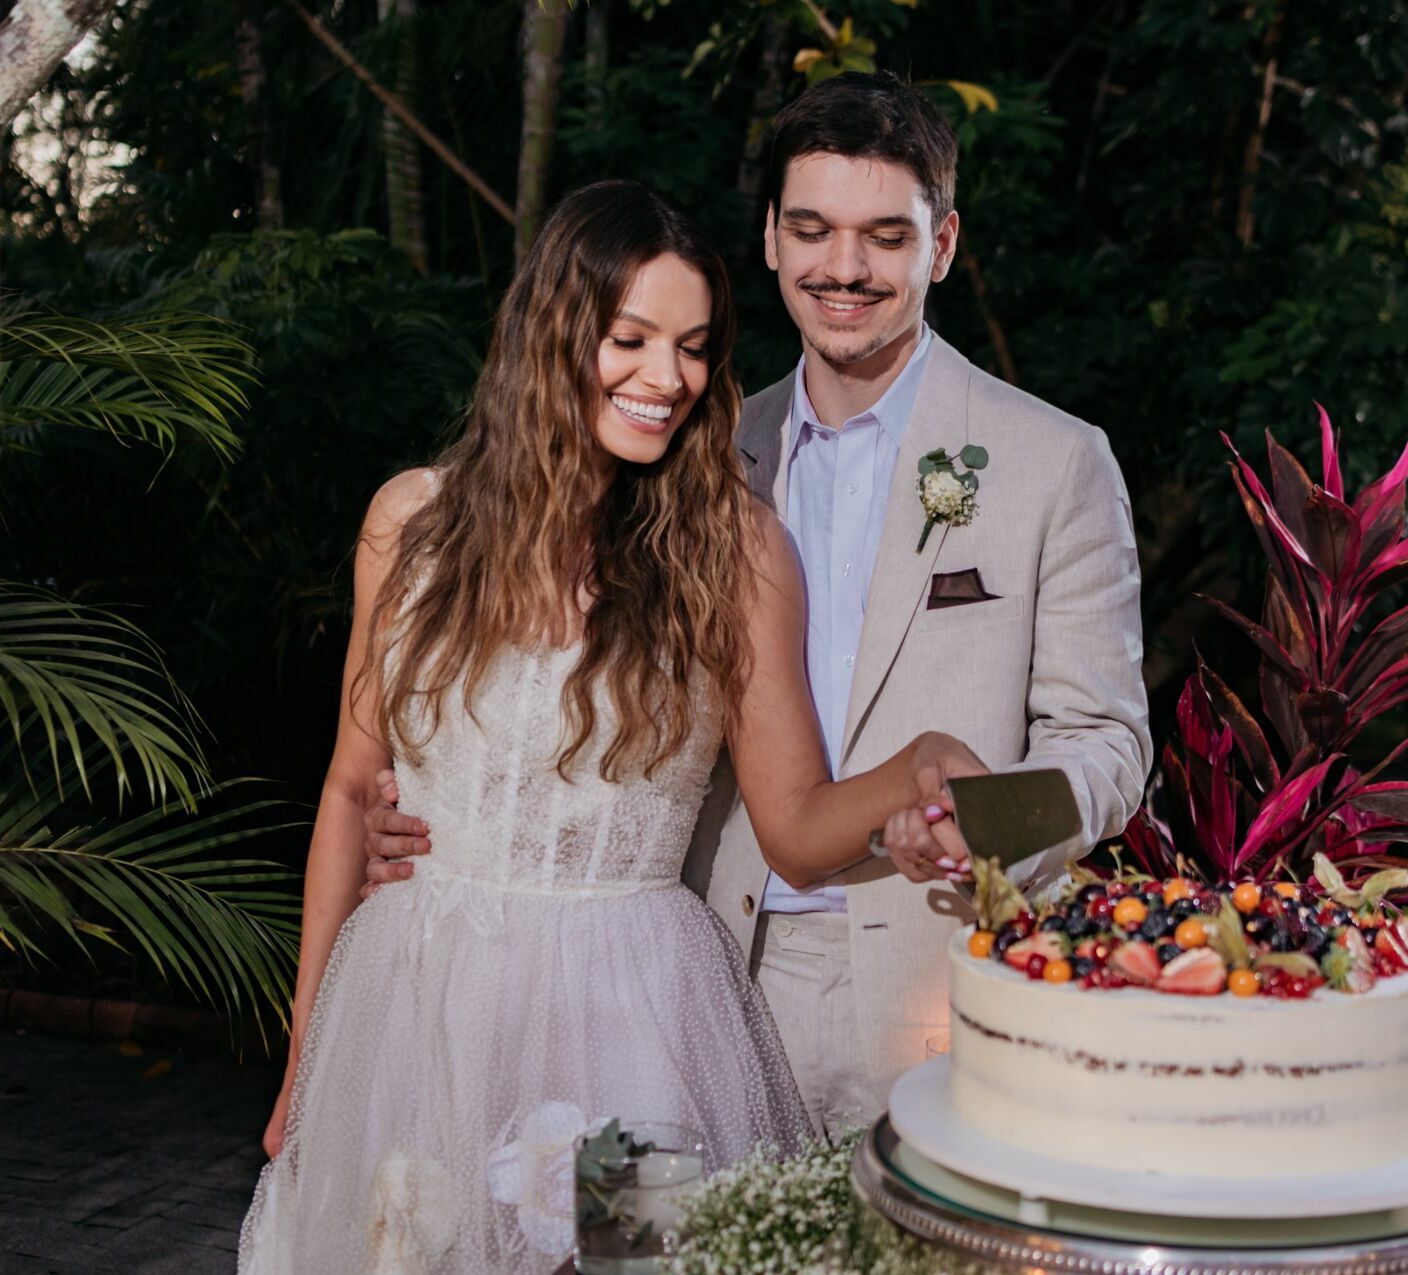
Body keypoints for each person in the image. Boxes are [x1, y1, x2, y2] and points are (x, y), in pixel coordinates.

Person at [364, 72, 1152, 1141]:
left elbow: (1106, 750)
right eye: (814, 229)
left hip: (941, 980)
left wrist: (986, 823)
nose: (844, 268)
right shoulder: (683, 450)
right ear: (772, 238)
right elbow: (542, 675)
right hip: (696, 989)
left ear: (945, 244)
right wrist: (439, 824)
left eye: (886, 235)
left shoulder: (1054, 463)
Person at [238, 179, 983, 1275]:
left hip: (632, 1023)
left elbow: (797, 825)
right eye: (629, 339)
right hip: (415, 1013)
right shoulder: (412, 525)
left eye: (692, 348)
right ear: (553, 335)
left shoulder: (733, 553)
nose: (666, 378)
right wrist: (307, 1053)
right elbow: (354, 790)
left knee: (630, 1260)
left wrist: (917, 767)